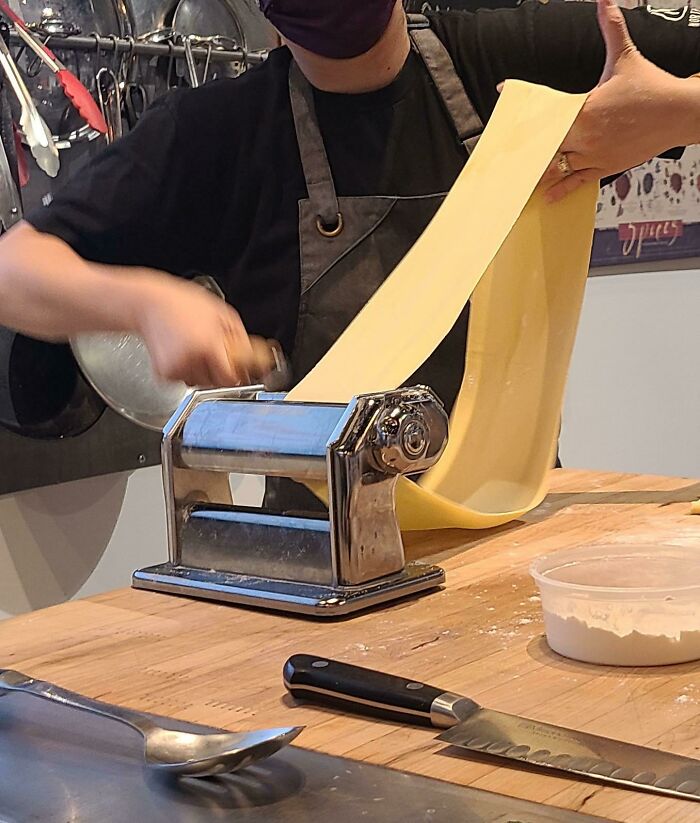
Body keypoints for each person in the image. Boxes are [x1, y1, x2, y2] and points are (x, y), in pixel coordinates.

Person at [1, 0, 699, 406]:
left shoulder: (510, 58)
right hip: (316, 563)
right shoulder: (218, 135)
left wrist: (679, 112)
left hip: (506, 537)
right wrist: (144, 303)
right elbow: (14, 271)